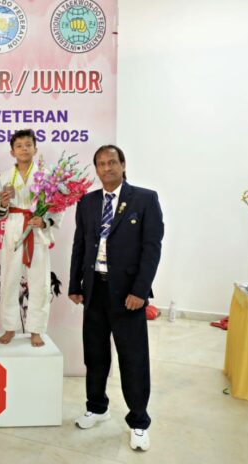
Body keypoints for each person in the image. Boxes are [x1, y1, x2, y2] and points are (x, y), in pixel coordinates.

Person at [68, 144, 164, 452]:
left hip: (127, 295)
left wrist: (140, 291)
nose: (106, 168)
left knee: (133, 359)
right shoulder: (87, 202)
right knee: (95, 355)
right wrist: (75, 284)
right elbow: (80, 245)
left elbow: (152, 248)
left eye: (112, 162)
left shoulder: (145, 199)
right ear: (96, 169)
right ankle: (97, 407)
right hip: (94, 290)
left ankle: (139, 421)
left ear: (123, 165)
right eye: (101, 164)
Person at [0, 129, 63, 347]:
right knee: (9, 278)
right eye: (19, 146)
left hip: (36, 229)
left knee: (39, 281)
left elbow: (57, 207)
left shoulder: (47, 175)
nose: (24, 149)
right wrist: (3, 203)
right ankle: (9, 327)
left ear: (35, 148)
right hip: (14, 227)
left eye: (28, 145)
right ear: (12, 152)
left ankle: (36, 329)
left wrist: (45, 221)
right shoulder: (5, 177)